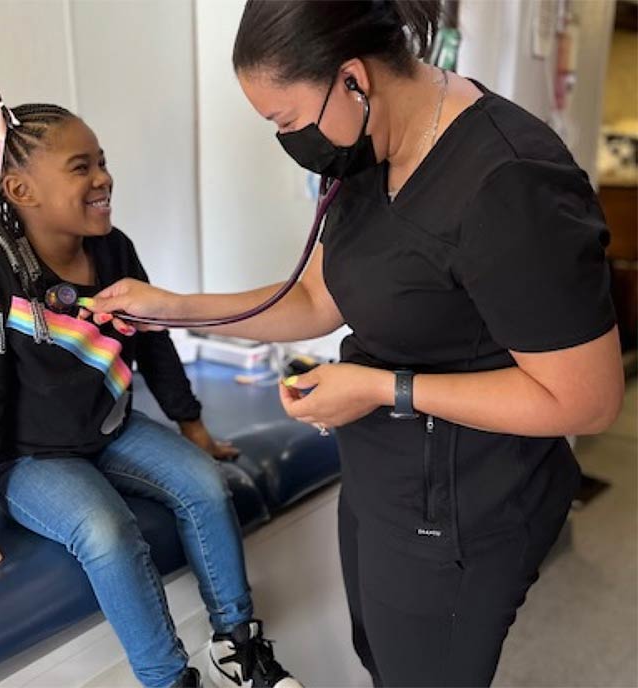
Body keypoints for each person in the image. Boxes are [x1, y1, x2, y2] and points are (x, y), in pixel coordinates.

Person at [86, 2, 625, 686]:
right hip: (380, 480)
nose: (286, 138)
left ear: (353, 79)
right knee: (382, 659)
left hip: (465, 506)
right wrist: (171, 309)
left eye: (285, 120)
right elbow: (315, 299)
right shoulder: (365, 149)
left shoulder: (509, 181)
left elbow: (586, 400)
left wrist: (379, 387)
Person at [0, 89, 302, 688]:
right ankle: (167, 677)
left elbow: (155, 342)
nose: (103, 178)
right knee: (107, 530)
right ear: (22, 193)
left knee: (205, 484)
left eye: (101, 161)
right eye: (81, 168)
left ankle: (239, 644)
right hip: (30, 458)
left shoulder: (115, 250)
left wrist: (191, 424)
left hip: (111, 431)